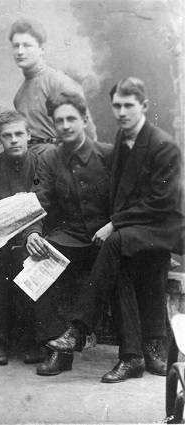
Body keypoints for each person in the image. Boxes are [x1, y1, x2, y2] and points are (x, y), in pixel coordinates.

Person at [46, 77, 183, 383]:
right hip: (136, 227)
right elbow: (120, 192)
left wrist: (114, 223)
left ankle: (80, 328)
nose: (121, 112)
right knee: (119, 263)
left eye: (128, 105)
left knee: (114, 243)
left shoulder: (163, 145)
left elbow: (162, 202)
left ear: (143, 106)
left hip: (161, 226)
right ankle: (134, 356)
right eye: (117, 105)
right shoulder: (123, 138)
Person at [23, 91, 113, 376]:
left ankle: (77, 333)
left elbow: (127, 199)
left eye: (71, 119)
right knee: (40, 261)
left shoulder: (108, 154)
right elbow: (39, 200)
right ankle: (57, 350)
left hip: (105, 239)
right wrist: (33, 233)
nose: (65, 125)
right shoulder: (49, 159)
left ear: (84, 119)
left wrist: (114, 225)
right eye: (59, 120)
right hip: (70, 237)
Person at [0, 110, 41, 366]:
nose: (14, 140)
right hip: (2, 238)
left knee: (33, 255)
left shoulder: (41, 165)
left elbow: (42, 204)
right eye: (7, 135)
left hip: (35, 234)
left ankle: (34, 339)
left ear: (29, 135)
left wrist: (29, 233)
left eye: (18, 134)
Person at [9, 18, 97, 155]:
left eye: (27, 45)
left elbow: (88, 130)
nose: (20, 51)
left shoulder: (58, 81)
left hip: (58, 159)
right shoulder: (19, 95)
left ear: (41, 49)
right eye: (16, 46)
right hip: (29, 160)